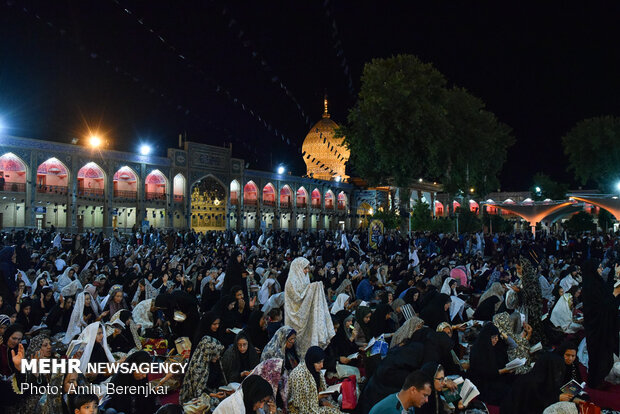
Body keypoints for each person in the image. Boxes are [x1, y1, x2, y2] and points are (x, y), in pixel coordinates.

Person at [284, 257, 335, 357]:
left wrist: (312, 288)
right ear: (298, 268)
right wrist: (313, 288)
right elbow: (298, 298)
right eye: (305, 268)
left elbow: (306, 293)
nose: (307, 270)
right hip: (295, 317)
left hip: (307, 317)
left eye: (308, 268)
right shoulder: (291, 282)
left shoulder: (305, 278)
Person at [581, 260, 619, 388]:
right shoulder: (590, 286)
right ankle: (595, 382)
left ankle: (597, 380)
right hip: (596, 327)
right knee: (598, 355)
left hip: (600, 326)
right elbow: (601, 307)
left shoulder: (596, 282)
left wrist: (614, 277)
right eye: (599, 267)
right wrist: (615, 294)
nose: (601, 269)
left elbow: (606, 294)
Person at [500, 352, 567, 414]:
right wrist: (556, 399)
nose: (558, 374)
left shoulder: (547, 381)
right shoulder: (528, 383)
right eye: (556, 370)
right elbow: (534, 405)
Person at [287, 346, 343, 414]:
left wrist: (322, 400)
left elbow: (319, 390)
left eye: (322, 362)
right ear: (311, 361)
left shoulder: (314, 371)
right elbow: (301, 405)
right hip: (301, 410)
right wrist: (318, 397)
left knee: (335, 409)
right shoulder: (299, 375)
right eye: (318, 362)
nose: (322, 365)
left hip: (315, 404)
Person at [179, 335, 227, 407]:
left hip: (211, 391)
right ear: (208, 353)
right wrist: (215, 395)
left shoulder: (213, 361)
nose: (218, 356)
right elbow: (197, 392)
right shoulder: (198, 367)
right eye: (215, 354)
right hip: (196, 397)